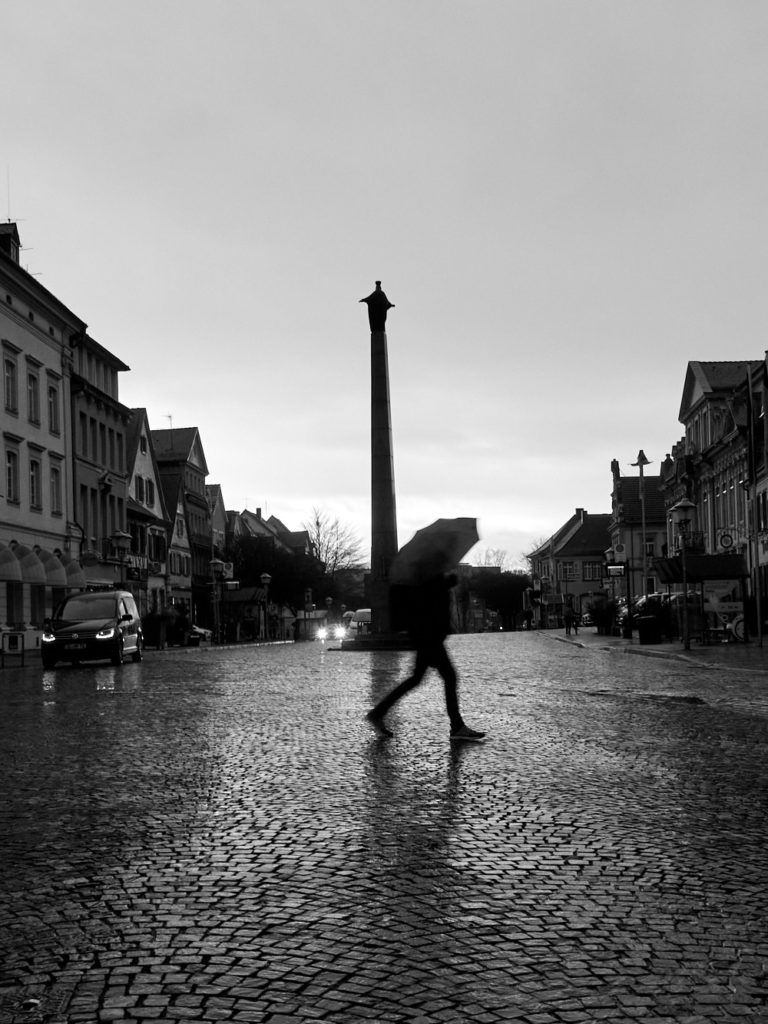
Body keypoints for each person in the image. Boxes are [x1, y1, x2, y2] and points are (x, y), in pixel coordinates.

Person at [365, 573, 485, 742]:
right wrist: (445, 584)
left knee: (417, 679)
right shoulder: (427, 572)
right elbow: (427, 599)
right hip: (429, 635)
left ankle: (378, 713)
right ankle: (457, 726)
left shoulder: (426, 570)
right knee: (448, 677)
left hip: (426, 634)